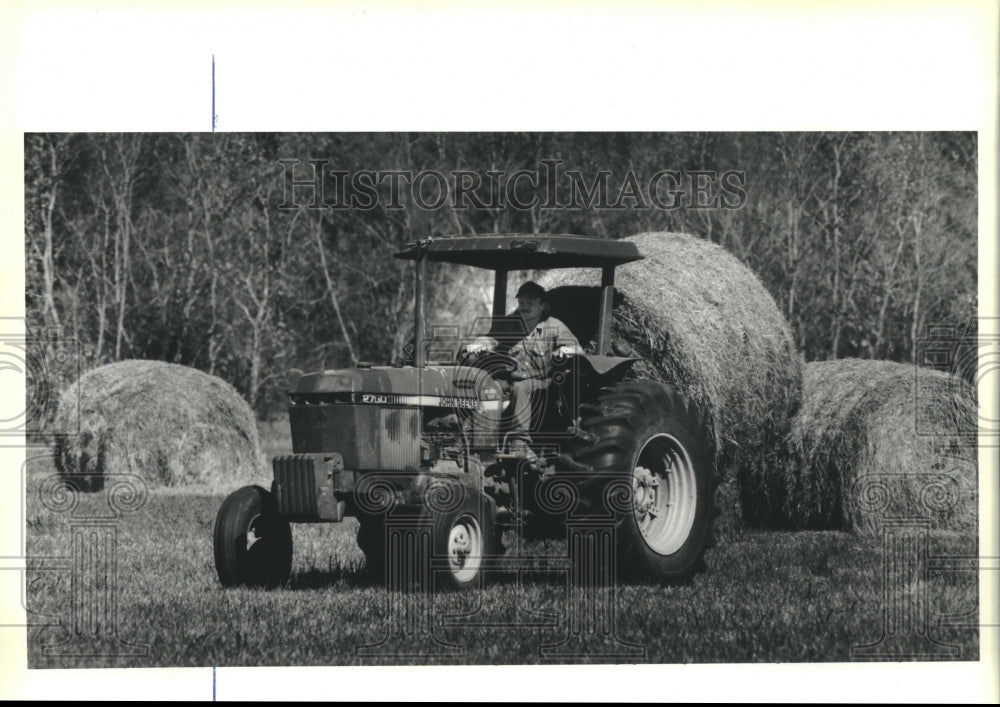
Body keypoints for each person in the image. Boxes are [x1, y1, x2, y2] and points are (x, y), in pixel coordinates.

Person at [463, 281, 581, 456]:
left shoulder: (554, 326)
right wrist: (480, 344)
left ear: (543, 306)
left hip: (542, 382)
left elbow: (577, 349)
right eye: (521, 303)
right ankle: (481, 441)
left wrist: (565, 350)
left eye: (530, 303)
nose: (524, 307)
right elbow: (491, 338)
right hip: (510, 378)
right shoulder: (511, 322)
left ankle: (519, 441)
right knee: (488, 388)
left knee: (521, 388)